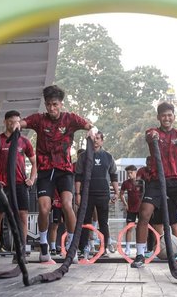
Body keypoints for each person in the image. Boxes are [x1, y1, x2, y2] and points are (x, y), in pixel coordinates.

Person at [19, 85, 94, 262]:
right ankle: (44, 246)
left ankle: (72, 245)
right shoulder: (39, 119)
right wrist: (17, 124)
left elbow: (88, 124)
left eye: (54, 104)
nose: (51, 108)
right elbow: (23, 122)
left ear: (61, 104)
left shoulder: (70, 119)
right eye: (48, 105)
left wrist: (92, 129)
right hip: (45, 171)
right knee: (44, 208)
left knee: (68, 205)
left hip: (64, 171)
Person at [131, 101, 177, 269]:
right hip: (156, 181)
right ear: (159, 117)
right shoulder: (153, 132)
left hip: (175, 181)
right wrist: (153, 137)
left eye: (170, 115)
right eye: (163, 115)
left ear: (174, 116)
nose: (167, 118)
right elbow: (149, 135)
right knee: (144, 214)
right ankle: (139, 255)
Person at [0, 110, 37, 264]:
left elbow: (35, 162)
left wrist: (32, 179)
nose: (14, 124)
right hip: (2, 185)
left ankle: (20, 250)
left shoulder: (24, 141)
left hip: (20, 185)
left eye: (17, 122)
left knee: (22, 217)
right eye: (11, 121)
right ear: (5, 122)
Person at [75, 131, 119, 259]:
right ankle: (83, 248)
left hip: (103, 194)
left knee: (103, 222)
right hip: (87, 194)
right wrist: (77, 194)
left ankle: (103, 248)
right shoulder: (83, 156)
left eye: (98, 138)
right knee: (85, 221)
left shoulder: (108, 156)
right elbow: (78, 176)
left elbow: (114, 175)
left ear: (102, 141)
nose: (95, 141)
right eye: (94, 138)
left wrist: (116, 192)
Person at [120, 164, 144, 255]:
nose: (129, 175)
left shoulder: (141, 182)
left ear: (135, 172)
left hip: (141, 209)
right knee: (129, 228)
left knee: (141, 228)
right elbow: (121, 194)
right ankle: (127, 248)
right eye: (128, 173)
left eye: (131, 173)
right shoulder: (126, 183)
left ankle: (142, 248)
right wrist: (125, 204)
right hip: (131, 209)